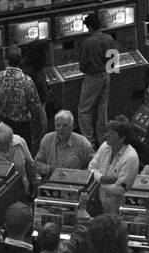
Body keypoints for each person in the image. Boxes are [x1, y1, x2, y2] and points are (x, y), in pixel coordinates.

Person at [0, 46, 47, 151]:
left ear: (6, 61)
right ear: (20, 60)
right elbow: (35, 106)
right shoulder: (26, 81)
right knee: (22, 155)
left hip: (3, 124)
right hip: (22, 127)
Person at [76, 13, 116, 145]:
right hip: (106, 76)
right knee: (102, 109)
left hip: (92, 78)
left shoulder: (87, 42)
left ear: (89, 27)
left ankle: (89, 142)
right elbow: (113, 62)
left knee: (84, 110)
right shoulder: (109, 38)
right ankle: (103, 140)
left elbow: (82, 66)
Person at [87, 121, 140, 215]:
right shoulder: (105, 146)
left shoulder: (131, 157)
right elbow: (91, 168)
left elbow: (120, 189)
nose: (107, 135)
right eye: (108, 131)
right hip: (100, 204)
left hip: (118, 209)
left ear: (122, 138)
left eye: (112, 133)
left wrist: (99, 184)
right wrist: (102, 178)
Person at [0, 122, 37, 199]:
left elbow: (30, 165)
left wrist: (34, 186)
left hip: (21, 191)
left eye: (2, 144)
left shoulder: (20, 143)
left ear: (9, 140)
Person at [34, 109, 94, 175]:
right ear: (54, 126)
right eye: (58, 125)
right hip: (50, 181)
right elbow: (37, 164)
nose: (61, 128)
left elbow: (94, 166)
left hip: (74, 182)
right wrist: (51, 170)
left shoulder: (83, 143)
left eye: (65, 125)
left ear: (72, 127)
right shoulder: (47, 139)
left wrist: (75, 174)